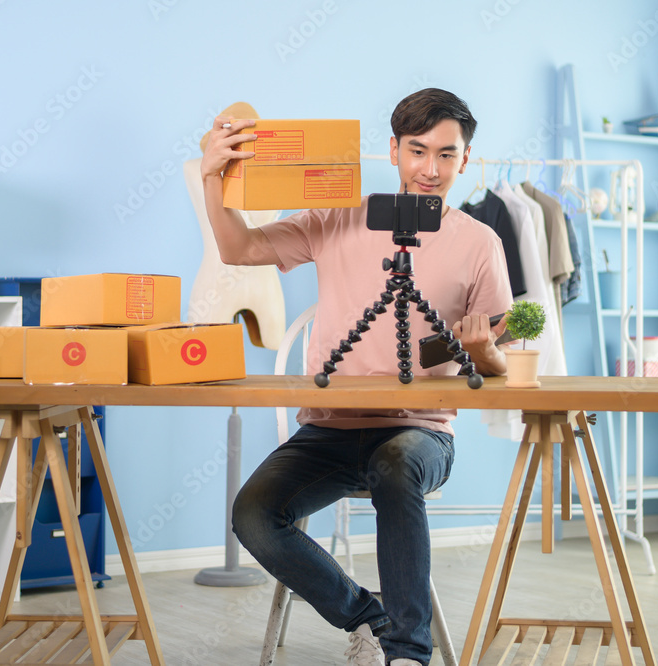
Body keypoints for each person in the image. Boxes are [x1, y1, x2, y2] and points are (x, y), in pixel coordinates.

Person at [200, 88, 512, 666]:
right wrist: (212, 178)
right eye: (418, 151)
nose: (430, 169)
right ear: (392, 150)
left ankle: (408, 653)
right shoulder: (340, 214)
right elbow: (238, 247)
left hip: (422, 434)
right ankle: (369, 617)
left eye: (447, 154)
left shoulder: (480, 243)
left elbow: (498, 364)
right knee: (254, 514)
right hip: (331, 429)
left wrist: (485, 353)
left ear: (465, 160)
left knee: (396, 468)